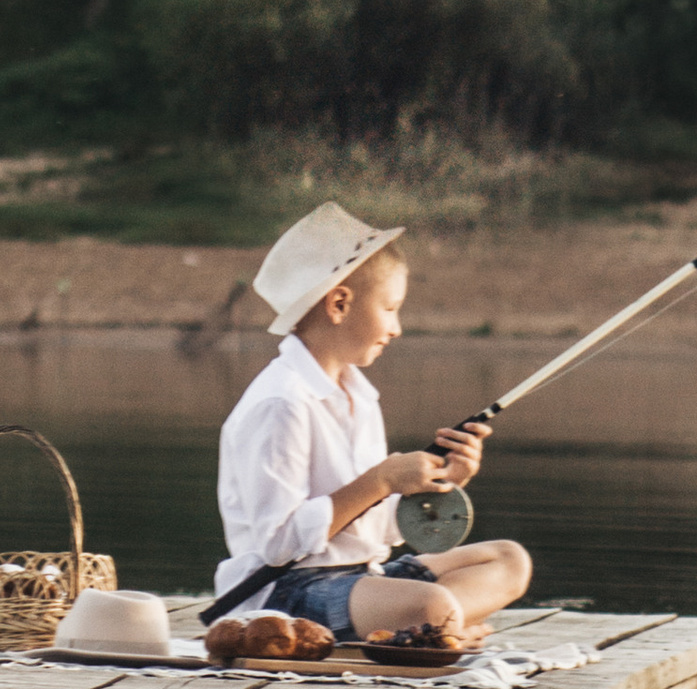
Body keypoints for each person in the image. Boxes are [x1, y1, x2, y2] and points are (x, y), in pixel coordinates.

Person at [213, 202, 533, 647]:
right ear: (339, 303)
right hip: (285, 595)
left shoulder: (358, 396)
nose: (397, 328)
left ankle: (434, 631)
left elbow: (378, 532)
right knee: (434, 607)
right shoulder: (281, 402)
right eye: (390, 308)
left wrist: (439, 485)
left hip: (363, 577)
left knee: (509, 561)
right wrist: (381, 480)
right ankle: (435, 630)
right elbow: (279, 544)